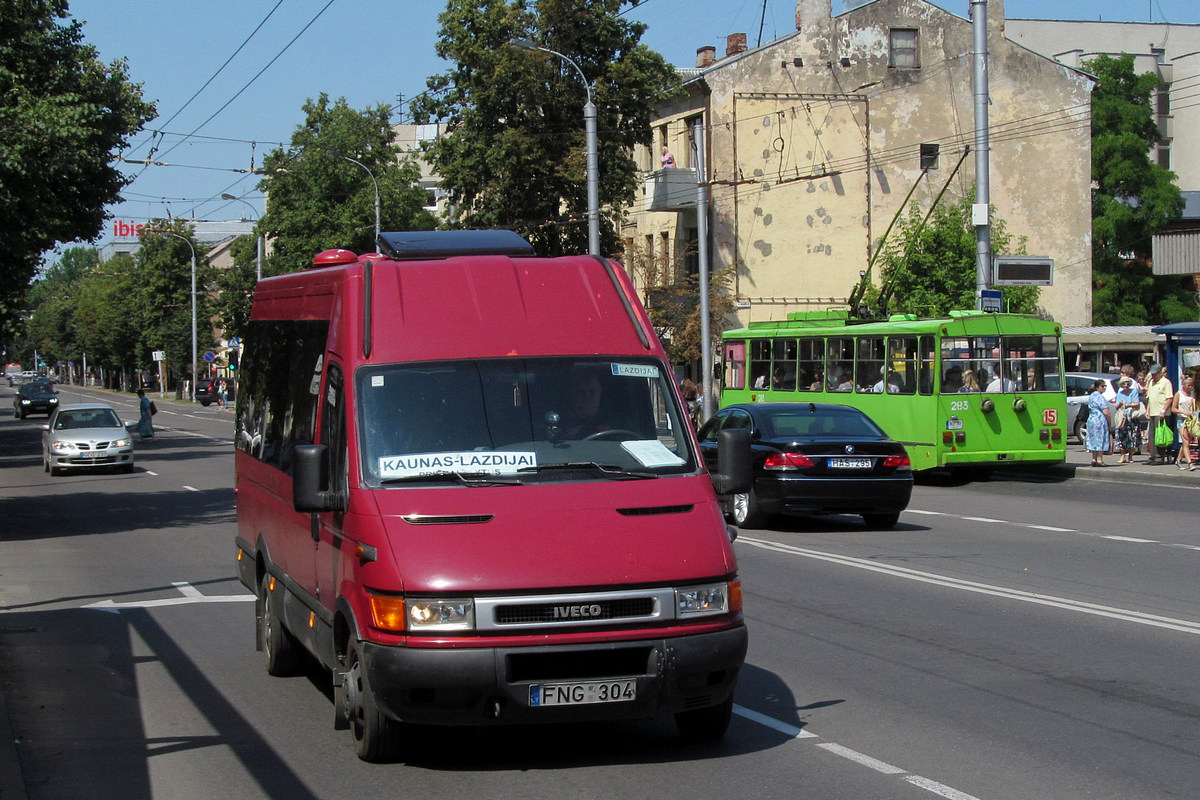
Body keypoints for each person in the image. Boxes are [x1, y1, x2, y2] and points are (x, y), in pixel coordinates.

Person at [1145, 363, 1173, 464]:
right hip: (1153, 411)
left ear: (1160, 373)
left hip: (1161, 413)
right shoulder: (1152, 382)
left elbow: (1169, 398)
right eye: (1152, 374)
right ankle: (1152, 456)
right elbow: (1150, 398)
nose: (1153, 376)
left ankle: (1159, 457)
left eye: (1155, 374)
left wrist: (1163, 411)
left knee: (1160, 435)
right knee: (1152, 435)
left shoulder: (1166, 382)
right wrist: (1148, 409)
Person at [1113, 376, 1143, 463]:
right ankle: (1122, 456)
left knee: (1132, 437)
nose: (1125, 385)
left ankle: (1130, 456)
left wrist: (1128, 405)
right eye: (1123, 383)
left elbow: (1137, 403)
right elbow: (1116, 406)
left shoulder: (1133, 391)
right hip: (1122, 418)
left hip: (1131, 417)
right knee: (1122, 436)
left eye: (1127, 383)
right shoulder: (1120, 393)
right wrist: (1121, 404)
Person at [1171, 375, 1197, 470]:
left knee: (1187, 442)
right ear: (1183, 384)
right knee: (1186, 442)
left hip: (1190, 420)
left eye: (1191, 385)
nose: (1190, 387)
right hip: (1181, 419)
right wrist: (1183, 412)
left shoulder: (1192, 395)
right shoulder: (1178, 394)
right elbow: (1173, 408)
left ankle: (1178, 460)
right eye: (1188, 385)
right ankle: (1190, 463)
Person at [1085, 379, 1111, 467]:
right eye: (1102, 386)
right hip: (1099, 420)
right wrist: (1109, 421)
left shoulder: (1092, 395)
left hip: (1091, 420)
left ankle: (1094, 459)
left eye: (1105, 386)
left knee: (1093, 439)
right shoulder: (1099, 397)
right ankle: (1100, 460)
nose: (1104, 388)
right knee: (1100, 439)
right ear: (1097, 387)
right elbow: (1106, 411)